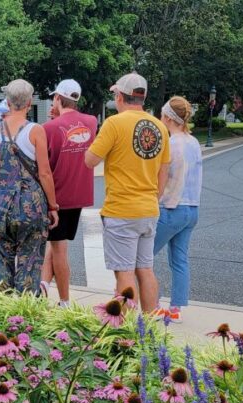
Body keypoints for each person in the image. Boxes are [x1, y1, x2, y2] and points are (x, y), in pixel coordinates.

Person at [84, 72, 170, 313]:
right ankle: (150, 326)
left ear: (121, 96)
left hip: (122, 209)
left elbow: (90, 160)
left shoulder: (114, 123)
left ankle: (129, 331)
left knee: (124, 273)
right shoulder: (160, 127)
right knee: (145, 269)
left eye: (115, 95)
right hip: (149, 208)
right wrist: (154, 198)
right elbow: (164, 170)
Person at [0, 79, 59, 294]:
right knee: (29, 263)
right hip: (30, 206)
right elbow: (44, 173)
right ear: (29, 102)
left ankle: (2, 315)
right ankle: (24, 318)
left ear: (7, 101)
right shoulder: (35, 131)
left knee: (1, 263)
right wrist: (52, 206)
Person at [40, 79, 98, 307]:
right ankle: (43, 286)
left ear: (57, 98)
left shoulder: (48, 128)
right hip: (80, 195)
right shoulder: (91, 122)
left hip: (57, 197)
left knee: (59, 249)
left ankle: (64, 300)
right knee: (55, 244)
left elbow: (44, 166)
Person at [152, 96, 202, 322]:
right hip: (192, 208)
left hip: (172, 207)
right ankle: (176, 307)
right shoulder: (193, 142)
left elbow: (163, 176)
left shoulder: (171, 144)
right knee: (179, 259)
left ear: (168, 118)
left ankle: (152, 302)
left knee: (143, 257)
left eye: (162, 115)